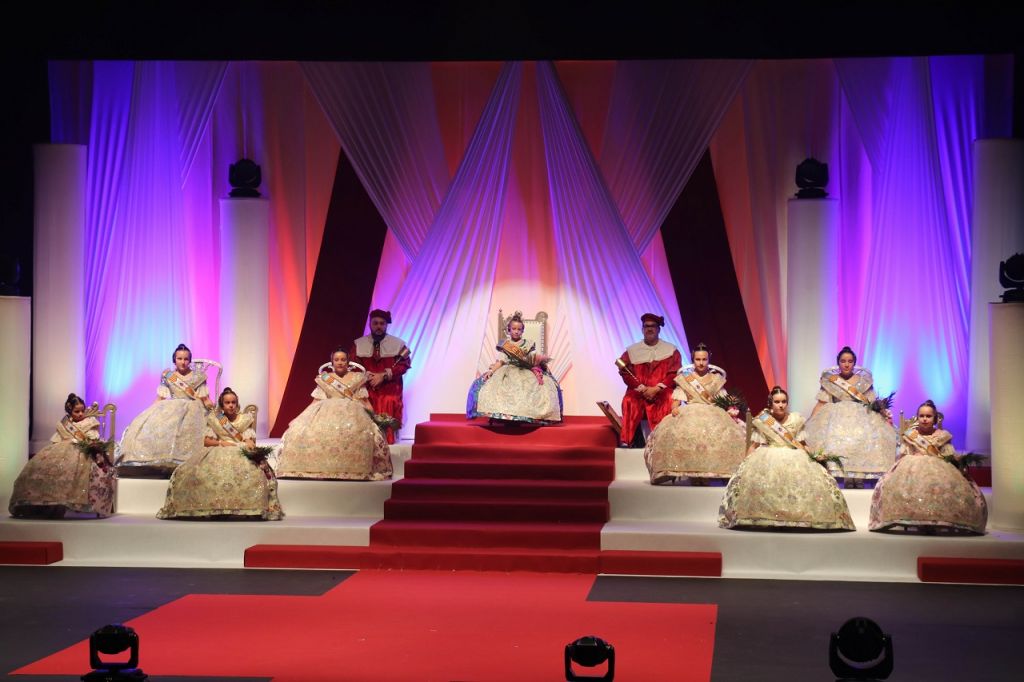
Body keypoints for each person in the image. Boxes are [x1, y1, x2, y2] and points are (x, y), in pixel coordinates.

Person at [719, 387, 855, 530]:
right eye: (777, 402)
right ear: (770, 403)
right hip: (768, 457)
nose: (781, 405)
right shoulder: (763, 421)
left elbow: (802, 444)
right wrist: (744, 465)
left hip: (795, 456)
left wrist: (816, 457)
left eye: (784, 402)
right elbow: (754, 445)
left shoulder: (796, 420)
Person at [157, 387, 283, 520]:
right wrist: (221, 443)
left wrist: (249, 445)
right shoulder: (215, 419)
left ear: (237, 404)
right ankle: (212, 506)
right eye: (227, 403)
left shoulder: (245, 419)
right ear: (222, 405)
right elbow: (206, 441)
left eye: (233, 402)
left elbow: (249, 440)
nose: (231, 405)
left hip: (239, 448)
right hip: (219, 447)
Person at [869, 400, 987, 534]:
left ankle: (939, 518)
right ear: (917, 417)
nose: (925, 419)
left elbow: (948, 454)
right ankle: (914, 517)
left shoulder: (942, 436)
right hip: (912, 468)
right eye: (921, 416)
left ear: (935, 418)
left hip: (939, 467)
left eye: (928, 416)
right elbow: (903, 454)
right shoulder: (911, 436)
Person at [277, 348, 393, 480]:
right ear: (332, 362)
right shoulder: (325, 378)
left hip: (353, 412)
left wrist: (375, 417)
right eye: (336, 360)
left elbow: (364, 401)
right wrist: (300, 418)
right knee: (302, 431)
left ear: (348, 362)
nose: (340, 362)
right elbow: (316, 401)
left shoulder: (357, 378)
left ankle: (352, 468)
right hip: (326, 411)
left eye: (343, 359)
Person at [643, 342, 745, 484]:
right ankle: (692, 473)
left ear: (708, 359)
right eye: (698, 359)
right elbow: (676, 400)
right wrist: (674, 408)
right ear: (693, 360)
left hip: (712, 411)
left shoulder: (716, 379)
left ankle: (712, 471)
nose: (701, 363)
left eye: (704, 359)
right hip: (690, 411)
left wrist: (729, 410)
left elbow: (723, 400)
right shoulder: (686, 379)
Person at [9, 393, 116, 518]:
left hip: (84, 451)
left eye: (82, 411)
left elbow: (92, 439)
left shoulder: (90, 423)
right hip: (62, 449)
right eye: (77, 411)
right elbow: (57, 440)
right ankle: (48, 503)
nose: (81, 414)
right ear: (70, 410)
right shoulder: (63, 425)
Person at [803, 346, 897, 487]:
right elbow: (821, 403)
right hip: (837, 418)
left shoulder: (864, 381)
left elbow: (871, 402)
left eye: (850, 361)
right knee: (840, 443)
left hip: (861, 417)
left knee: (861, 443)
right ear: (838, 363)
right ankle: (846, 476)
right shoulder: (831, 381)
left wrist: (883, 414)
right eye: (843, 361)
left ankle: (859, 477)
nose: (846, 364)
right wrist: (810, 421)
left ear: (854, 363)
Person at [117, 344, 213, 475]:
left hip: (193, 408)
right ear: (174, 360)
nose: (183, 362)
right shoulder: (168, 375)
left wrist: (214, 411)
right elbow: (160, 398)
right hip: (172, 407)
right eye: (179, 358)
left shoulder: (198, 377)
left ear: (190, 360)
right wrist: (148, 413)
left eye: (186, 359)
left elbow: (205, 399)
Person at [468, 311, 563, 424]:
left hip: (525, 370)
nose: (516, 331)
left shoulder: (528, 344)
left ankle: (526, 416)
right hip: (508, 370)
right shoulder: (506, 345)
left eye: (519, 329)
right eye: (514, 329)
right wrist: (491, 371)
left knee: (536, 386)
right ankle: (504, 416)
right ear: (509, 330)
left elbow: (532, 359)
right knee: (498, 387)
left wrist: (540, 365)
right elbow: (501, 362)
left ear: (523, 331)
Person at [617, 313, 682, 447]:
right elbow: (625, 372)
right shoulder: (631, 351)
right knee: (629, 400)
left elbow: (674, 373)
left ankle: (665, 440)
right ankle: (628, 441)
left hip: (661, 390)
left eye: (653, 326)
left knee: (669, 398)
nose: (650, 329)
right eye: (646, 326)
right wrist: (641, 388)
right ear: (642, 329)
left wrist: (657, 388)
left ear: (658, 329)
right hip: (639, 390)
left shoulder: (671, 351)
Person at [350, 309, 411, 444]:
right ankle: (366, 441)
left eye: (382, 323)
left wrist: (383, 375)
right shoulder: (358, 344)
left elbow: (404, 364)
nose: (378, 326)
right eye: (375, 323)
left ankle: (387, 440)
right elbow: (353, 365)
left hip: (389, 386)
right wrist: (367, 376)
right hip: (367, 385)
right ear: (370, 324)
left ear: (386, 325)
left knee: (389, 400)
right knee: (362, 400)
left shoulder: (398, 344)